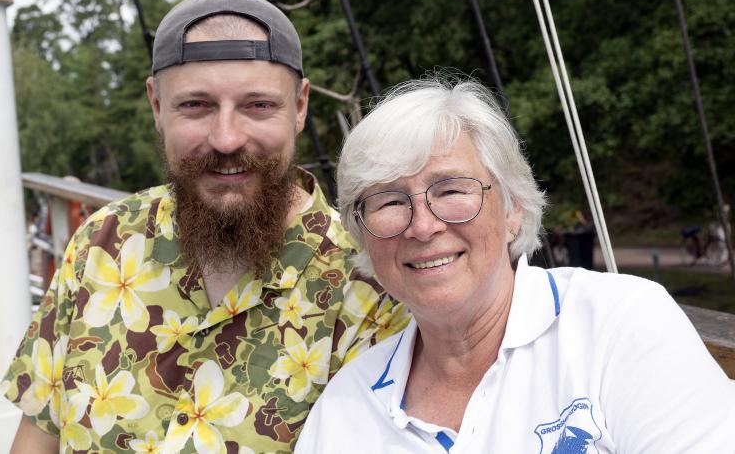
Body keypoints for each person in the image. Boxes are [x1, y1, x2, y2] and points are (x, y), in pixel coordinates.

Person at [3, 0, 406, 454]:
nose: (227, 138)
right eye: (196, 105)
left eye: (258, 105)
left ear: (299, 107)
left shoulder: (370, 286)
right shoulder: (102, 243)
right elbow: (37, 439)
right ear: (157, 106)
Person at [296, 75, 735, 453]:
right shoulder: (345, 409)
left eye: (451, 190)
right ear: (363, 234)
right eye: (389, 201)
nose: (423, 226)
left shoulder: (618, 325)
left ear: (513, 208)